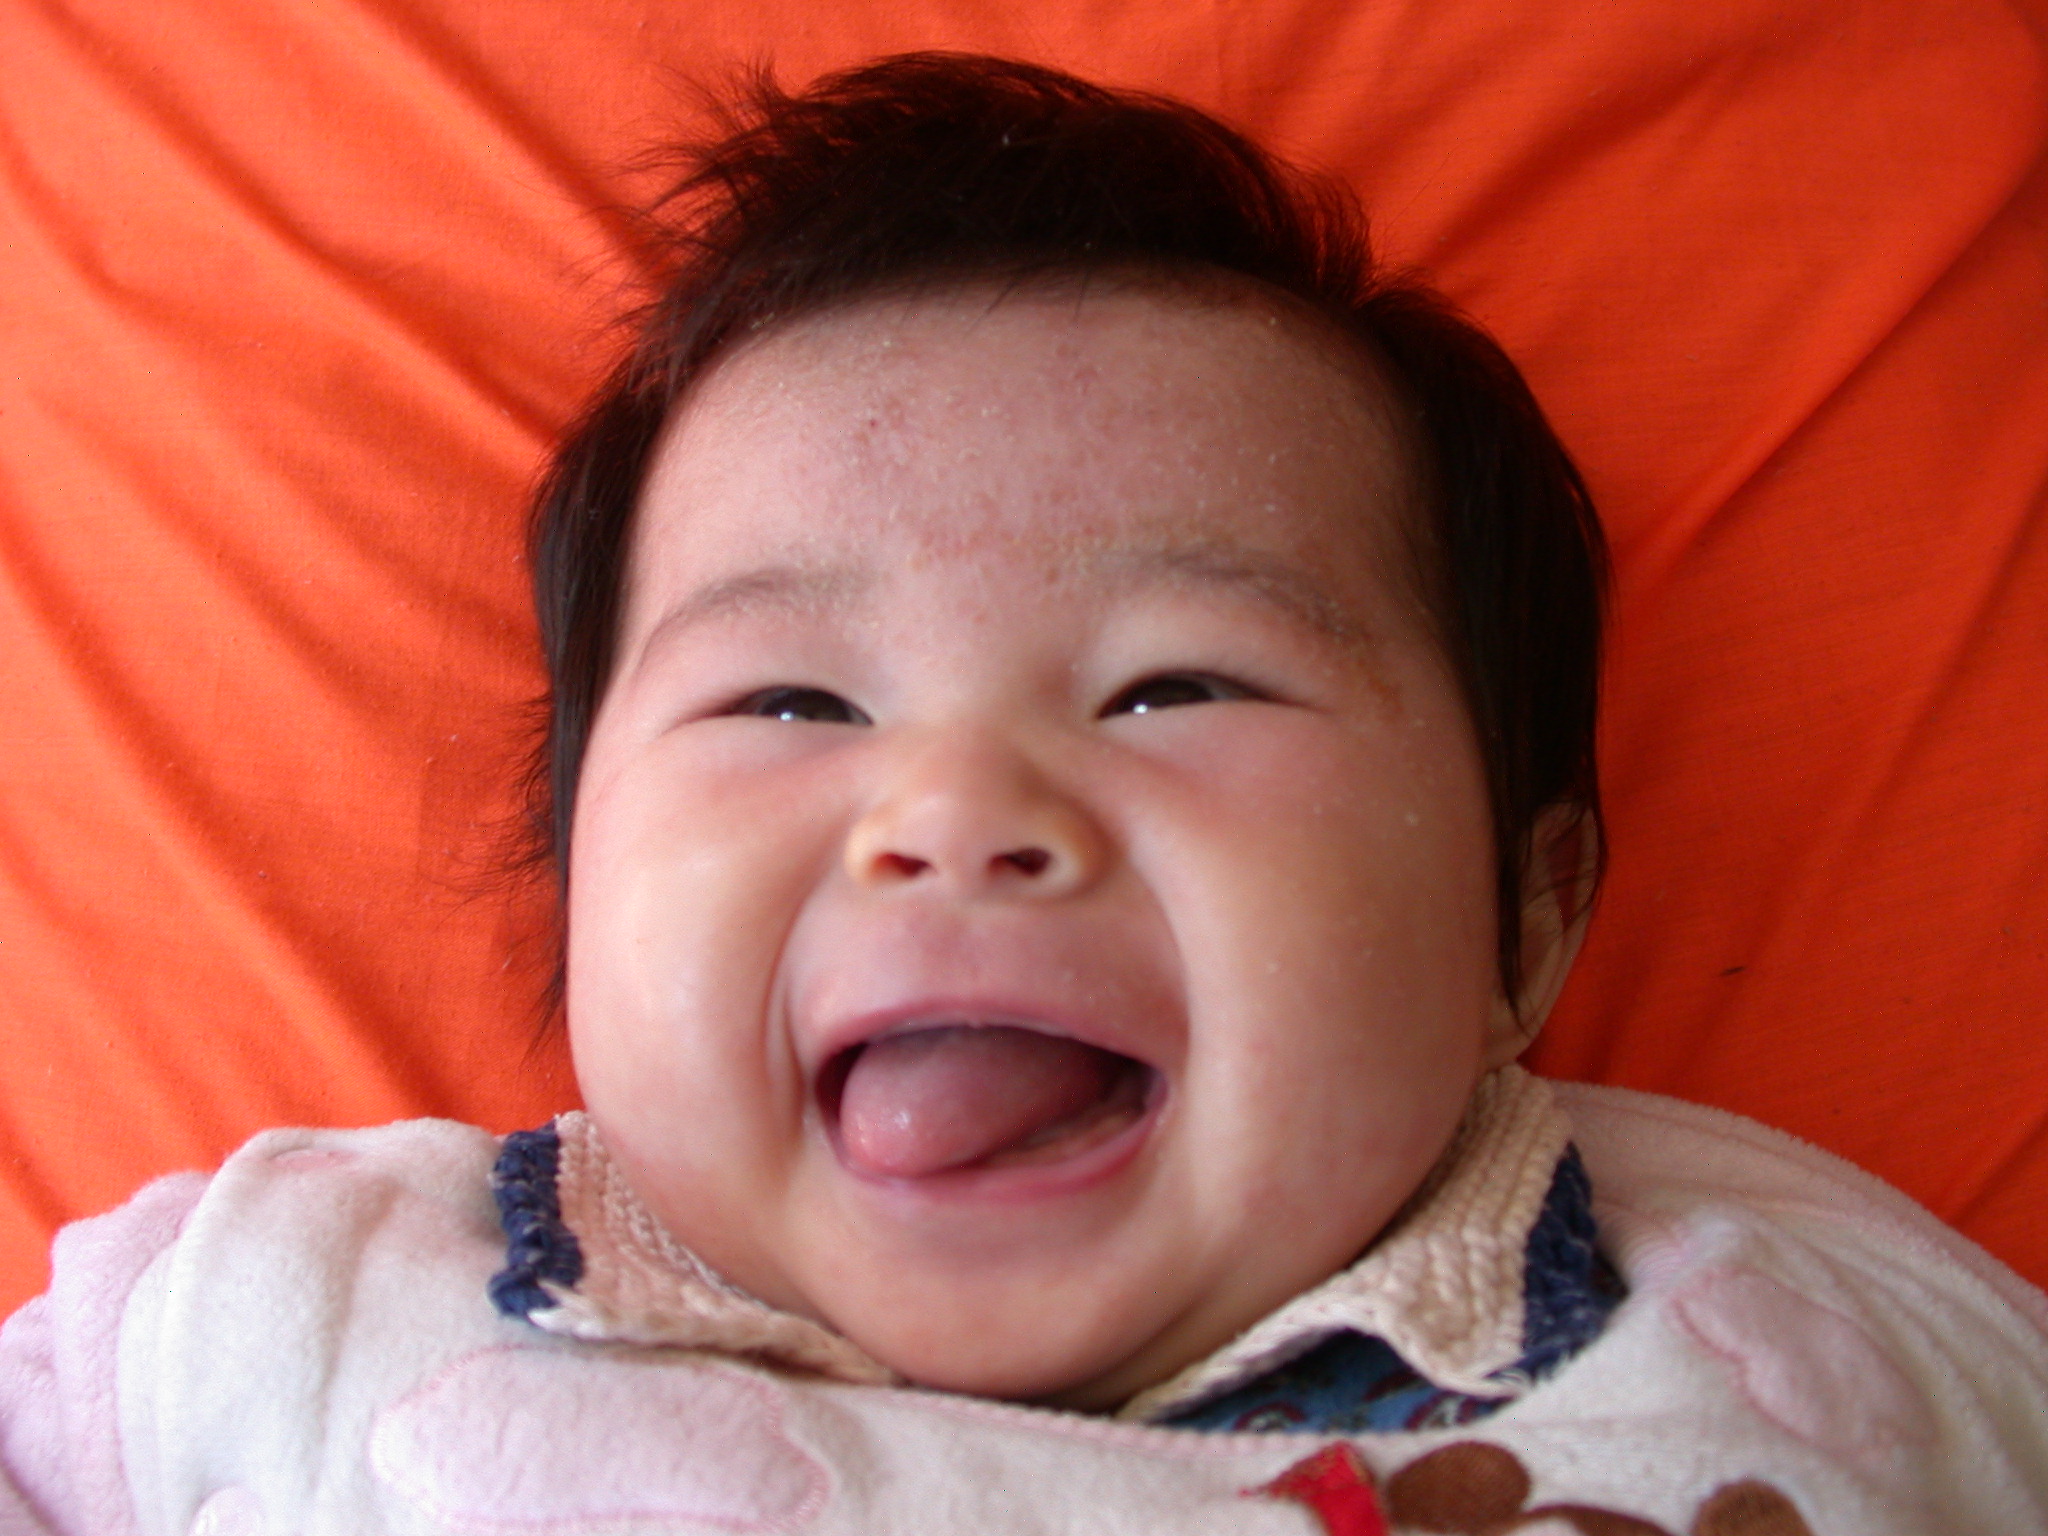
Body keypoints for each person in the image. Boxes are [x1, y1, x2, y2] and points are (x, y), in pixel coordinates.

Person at [2, 53, 2043, 1536]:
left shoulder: (1803, 1319)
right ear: (577, 870)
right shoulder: (291, 1300)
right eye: (791, 700)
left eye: (1174, 687)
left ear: (1527, 919)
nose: (956, 809)